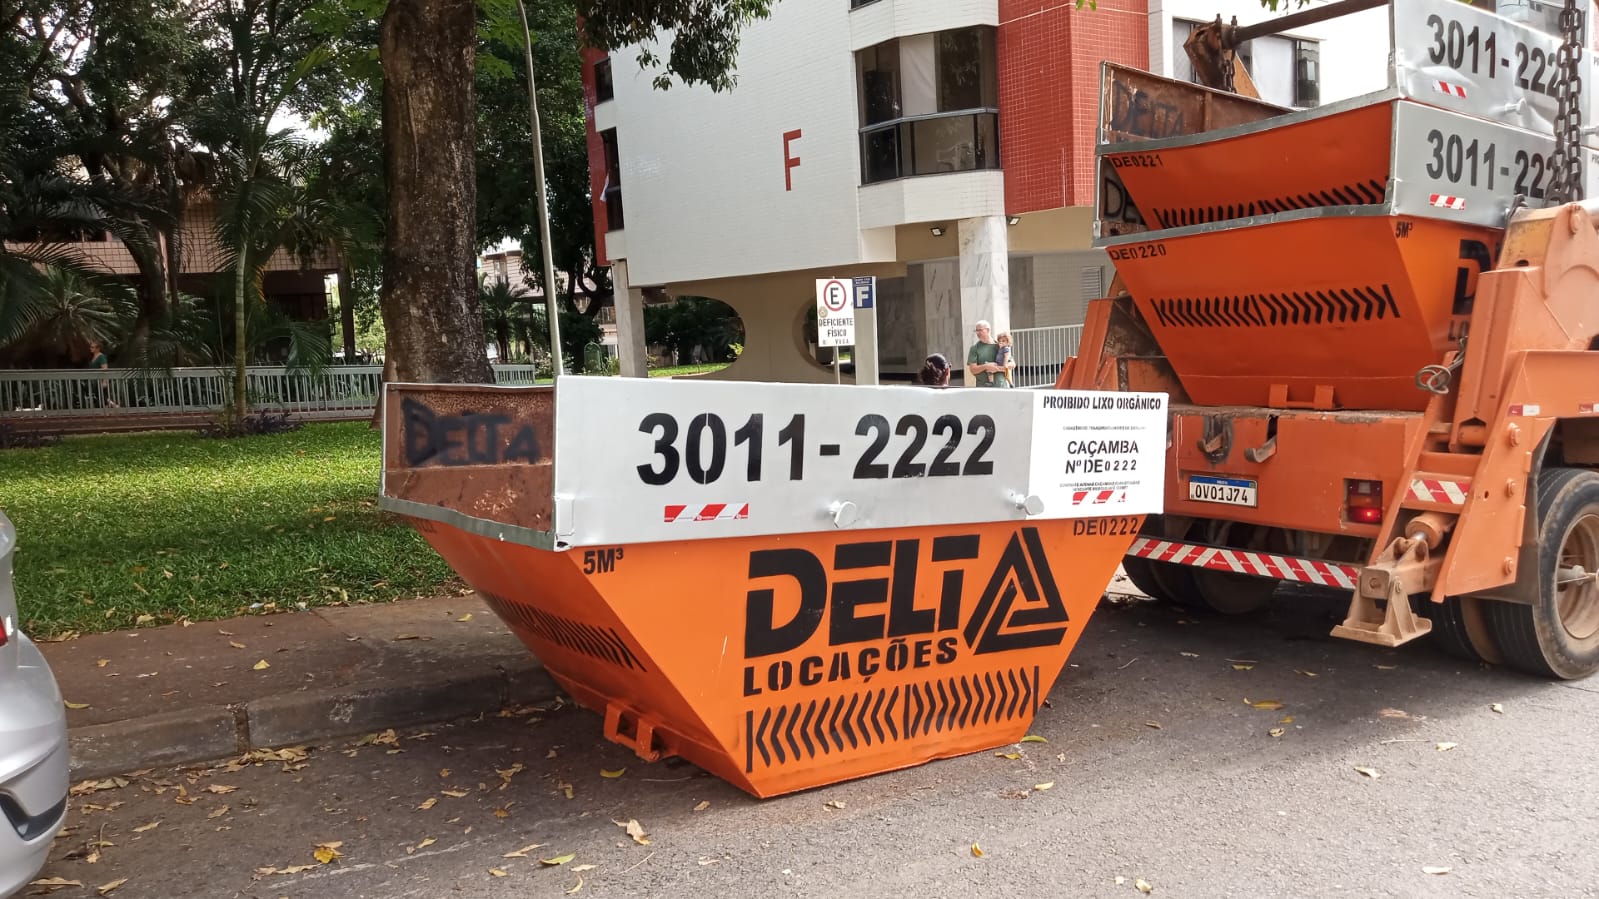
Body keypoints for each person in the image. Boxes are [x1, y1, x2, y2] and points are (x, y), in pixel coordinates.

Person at [966, 320, 1005, 387]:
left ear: (988, 330)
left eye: (980, 330)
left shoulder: (1000, 346)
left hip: (1002, 387)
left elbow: (1012, 364)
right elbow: (973, 370)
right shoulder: (974, 348)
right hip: (983, 389)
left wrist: (997, 368)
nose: (978, 333)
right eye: (976, 331)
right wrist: (986, 366)